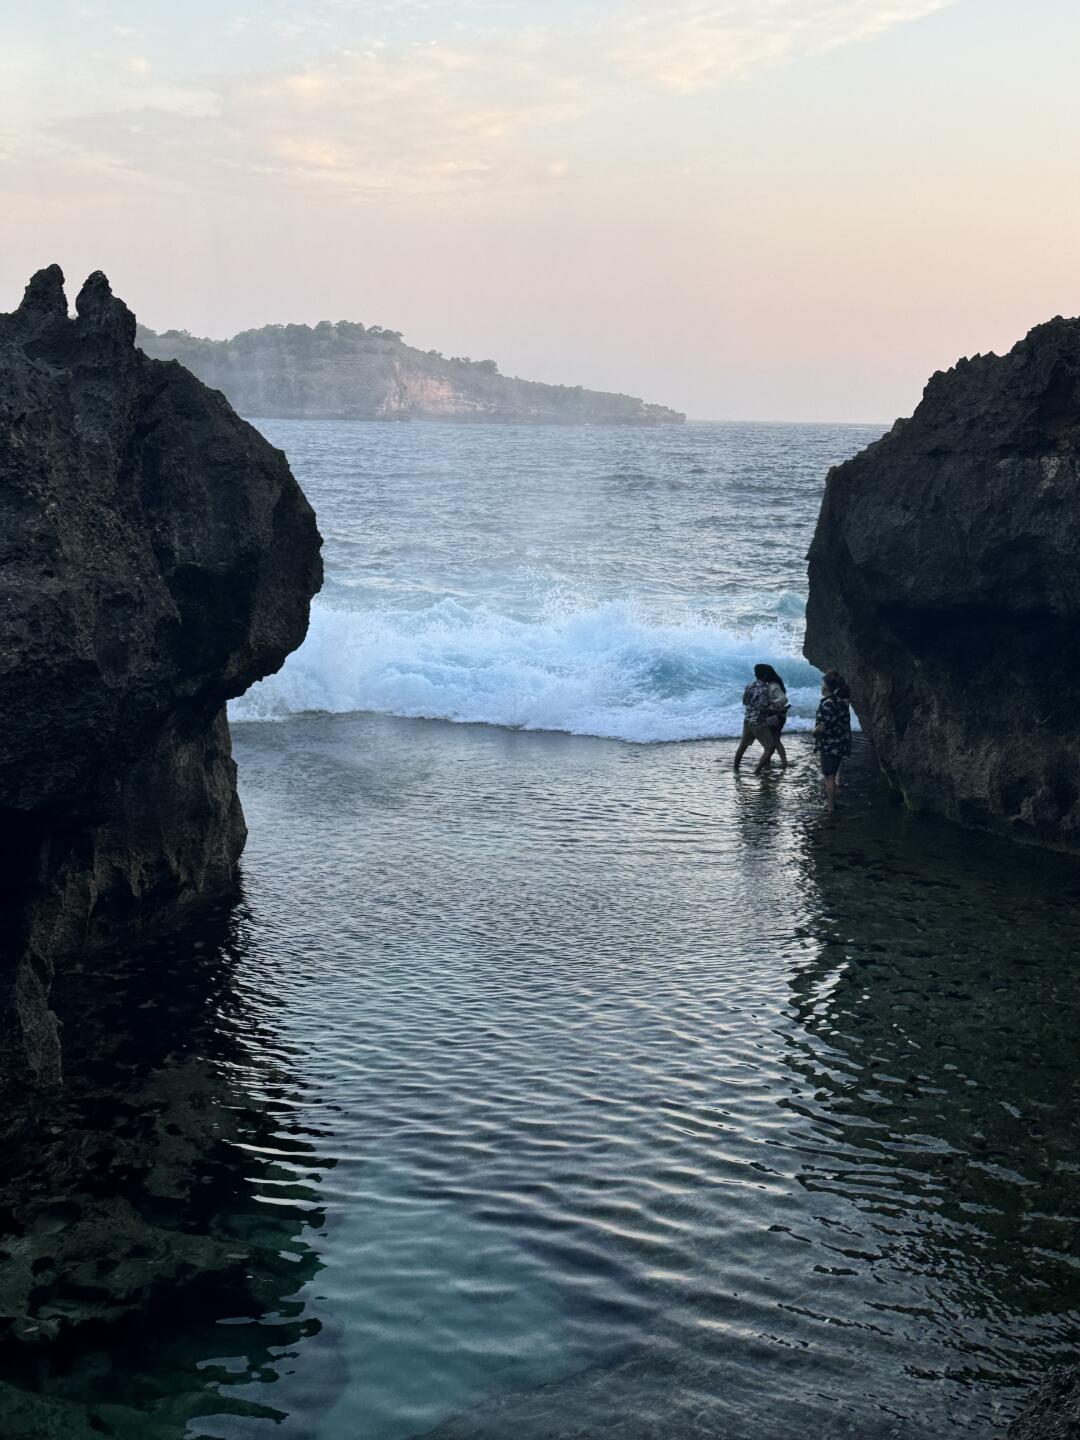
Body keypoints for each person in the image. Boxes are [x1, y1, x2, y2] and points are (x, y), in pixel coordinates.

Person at [734, 663, 786, 773]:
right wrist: (777, 710)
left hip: (747, 720)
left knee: (742, 746)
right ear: (766, 675)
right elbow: (762, 710)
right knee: (770, 748)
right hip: (758, 723)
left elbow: (744, 702)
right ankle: (757, 771)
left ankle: (735, 768)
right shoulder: (763, 689)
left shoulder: (750, 685)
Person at [814, 670, 851, 813]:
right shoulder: (841, 702)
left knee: (829, 776)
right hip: (840, 743)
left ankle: (830, 807)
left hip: (829, 745)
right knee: (833, 775)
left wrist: (814, 732)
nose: (821, 686)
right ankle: (832, 804)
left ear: (826, 688)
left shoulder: (827, 704)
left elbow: (822, 727)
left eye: (822, 684)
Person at [758, 663, 790, 770]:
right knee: (774, 741)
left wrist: (770, 702)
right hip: (778, 716)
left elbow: (784, 699)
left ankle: (768, 763)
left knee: (773, 741)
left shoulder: (773, 686)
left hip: (776, 717)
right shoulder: (773, 684)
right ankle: (779, 763)